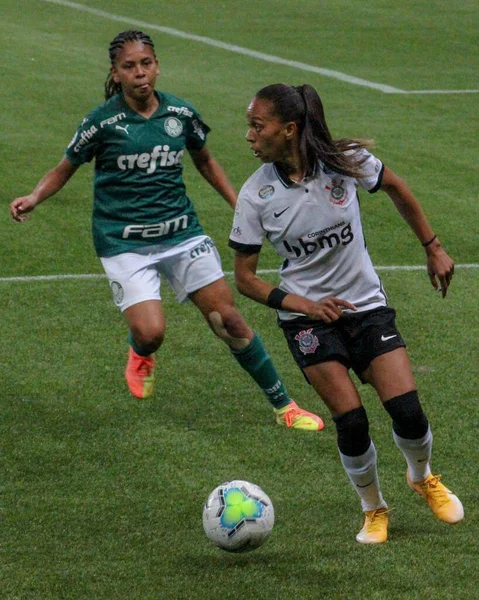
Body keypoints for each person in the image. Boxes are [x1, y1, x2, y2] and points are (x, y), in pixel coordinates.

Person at [9, 32, 325, 431]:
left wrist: (240, 206)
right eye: (129, 66)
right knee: (151, 331)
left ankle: (285, 406)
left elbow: (206, 162)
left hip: (182, 234)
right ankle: (141, 350)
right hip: (123, 241)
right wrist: (35, 197)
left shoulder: (181, 115)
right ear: (116, 73)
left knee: (228, 320)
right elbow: (64, 167)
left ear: (156, 66)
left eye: (146, 63)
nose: (140, 73)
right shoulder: (101, 122)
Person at [229, 82, 464, 543]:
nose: (250, 136)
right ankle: (373, 508)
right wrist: (305, 305)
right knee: (352, 421)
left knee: (408, 412)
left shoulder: (345, 162)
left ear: (290, 129)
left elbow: (395, 186)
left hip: (366, 306)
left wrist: (433, 248)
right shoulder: (256, 195)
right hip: (307, 321)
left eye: (258, 126)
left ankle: (422, 477)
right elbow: (246, 278)